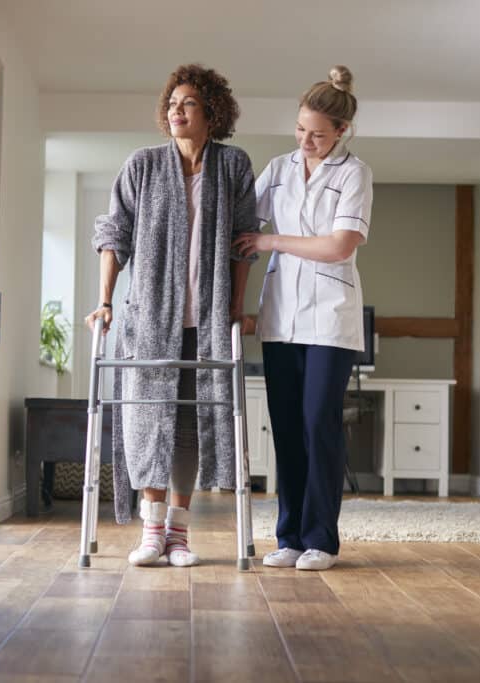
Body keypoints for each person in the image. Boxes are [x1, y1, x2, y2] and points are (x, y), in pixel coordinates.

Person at [87, 64, 259, 567]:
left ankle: (179, 536)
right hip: (150, 320)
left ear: (212, 112)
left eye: (187, 103)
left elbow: (244, 243)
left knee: (190, 426)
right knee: (146, 422)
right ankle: (151, 532)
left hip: (203, 322)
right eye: (171, 104)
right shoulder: (142, 165)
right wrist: (105, 299)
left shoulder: (232, 167)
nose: (175, 111)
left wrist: (233, 310)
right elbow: (112, 234)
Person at [233, 65, 373, 571]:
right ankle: (289, 536)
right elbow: (242, 219)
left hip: (331, 321)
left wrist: (272, 241)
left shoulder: (354, 174)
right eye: (300, 130)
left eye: (317, 134)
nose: (306, 141)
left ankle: (321, 539)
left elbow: (339, 245)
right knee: (287, 426)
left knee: (319, 422)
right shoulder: (279, 168)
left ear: (341, 131)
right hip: (280, 318)